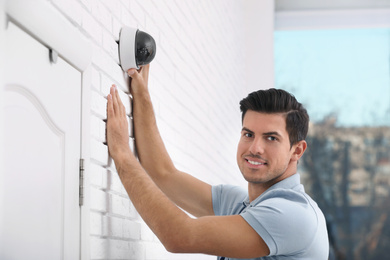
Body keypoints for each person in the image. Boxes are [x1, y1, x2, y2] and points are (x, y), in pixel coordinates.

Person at [106, 64, 329, 259]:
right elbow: (163, 174)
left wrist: (123, 154)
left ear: (296, 150)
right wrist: (142, 96)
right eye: (248, 134)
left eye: (271, 138)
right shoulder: (240, 205)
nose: (254, 148)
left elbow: (179, 236)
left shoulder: (292, 214)